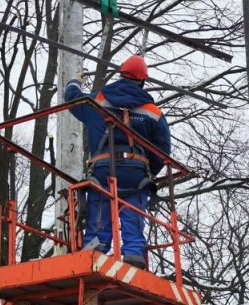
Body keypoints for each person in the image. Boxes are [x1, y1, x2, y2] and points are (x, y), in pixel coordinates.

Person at [65, 55, 171, 268]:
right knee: (133, 216)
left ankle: (95, 252)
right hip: (136, 173)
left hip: (103, 170)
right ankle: (134, 256)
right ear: (142, 81)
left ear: (121, 74)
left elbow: (71, 98)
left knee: (99, 217)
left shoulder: (97, 101)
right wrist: (148, 173)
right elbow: (163, 151)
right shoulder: (153, 112)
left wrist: (75, 81)